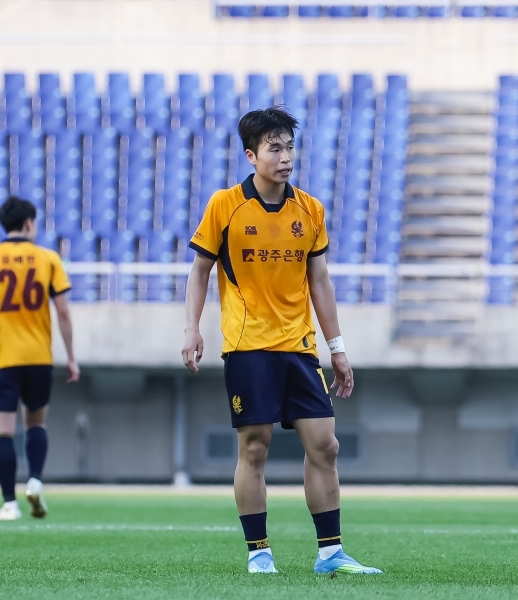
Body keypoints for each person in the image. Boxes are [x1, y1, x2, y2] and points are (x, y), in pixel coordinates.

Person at [182, 106, 381, 575]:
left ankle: (330, 553)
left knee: (325, 445)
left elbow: (320, 281)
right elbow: (200, 270)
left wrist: (337, 348)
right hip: (248, 345)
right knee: (255, 447)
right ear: (251, 155)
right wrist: (191, 327)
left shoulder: (310, 209)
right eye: (275, 148)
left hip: (299, 346)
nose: (286, 157)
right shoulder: (225, 205)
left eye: (290, 147)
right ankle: (259, 553)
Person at [0, 196, 79, 521]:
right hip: (38, 357)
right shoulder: (48, 258)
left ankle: (9, 504)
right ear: (28, 223)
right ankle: (35, 481)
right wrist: (71, 357)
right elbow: (63, 312)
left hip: (2, 359)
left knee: (4, 431)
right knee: (36, 423)